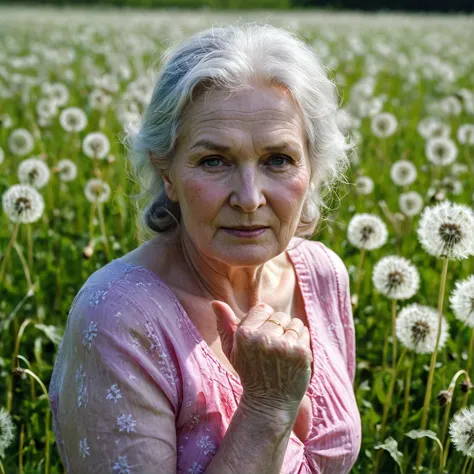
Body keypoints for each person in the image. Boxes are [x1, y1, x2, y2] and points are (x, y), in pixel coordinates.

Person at [48, 22, 362, 474]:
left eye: (279, 159)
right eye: (214, 161)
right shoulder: (119, 318)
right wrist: (267, 409)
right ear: (167, 172)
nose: (250, 197)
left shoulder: (322, 275)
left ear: (312, 168)